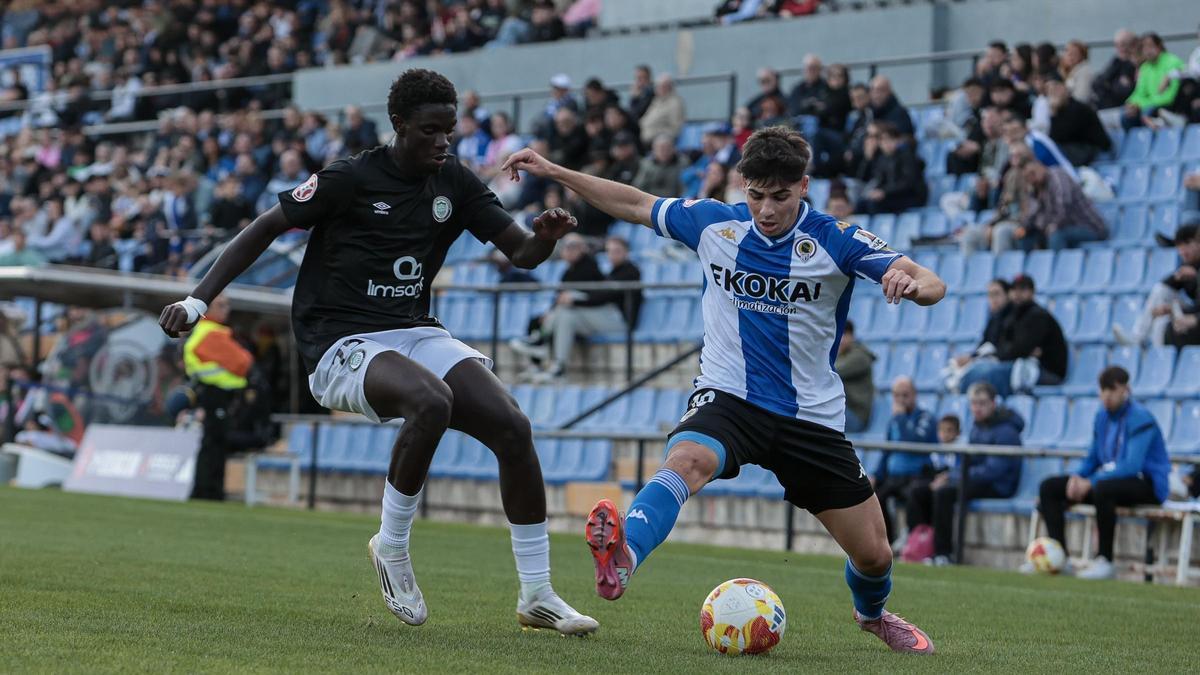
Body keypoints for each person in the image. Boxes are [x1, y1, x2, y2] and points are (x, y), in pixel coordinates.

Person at [158, 69, 597, 636]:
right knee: (432, 402)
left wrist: (546, 236)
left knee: (512, 425)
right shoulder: (349, 178)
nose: (443, 142)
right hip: (337, 340)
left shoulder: (455, 184)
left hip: (412, 329)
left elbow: (521, 253)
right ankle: (391, 547)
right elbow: (264, 228)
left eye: (449, 130)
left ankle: (537, 593)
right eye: (429, 130)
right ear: (399, 126)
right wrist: (197, 302)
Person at [501, 126, 946, 653]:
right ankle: (624, 556)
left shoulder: (834, 239)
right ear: (741, 184)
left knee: (875, 556)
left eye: (780, 196)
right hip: (729, 397)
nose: (766, 209)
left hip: (810, 418)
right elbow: (635, 202)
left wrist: (911, 285)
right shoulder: (715, 223)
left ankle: (872, 615)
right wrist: (553, 171)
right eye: (756, 195)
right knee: (687, 459)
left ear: (803, 186)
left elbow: (929, 280)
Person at [1034, 366, 1170, 580]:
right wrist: (1077, 479)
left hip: (1147, 484)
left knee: (1103, 489)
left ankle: (1105, 560)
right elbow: (1093, 458)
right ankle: (1059, 558)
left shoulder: (1141, 418)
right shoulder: (1101, 417)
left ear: (1125, 390)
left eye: (1112, 389)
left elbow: (1131, 466)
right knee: (1049, 487)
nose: (1106, 395)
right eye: (1103, 389)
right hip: (1108, 483)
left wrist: (1092, 481)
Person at [921, 381, 1022, 566]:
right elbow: (970, 463)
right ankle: (921, 546)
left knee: (945, 493)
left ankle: (944, 554)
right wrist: (950, 475)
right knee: (922, 489)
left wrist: (954, 477)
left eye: (982, 403)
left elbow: (993, 471)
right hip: (978, 479)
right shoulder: (978, 426)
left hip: (998, 486)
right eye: (974, 403)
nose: (977, 408)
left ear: (993, 403)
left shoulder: (1006, 432)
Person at [523, 234, 636, 381]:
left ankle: (540, 339)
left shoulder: (631, 271)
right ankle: (559, 368)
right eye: (609, 251)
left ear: (626, 252)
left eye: (617, 251)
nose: (612, 255)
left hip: (620, 322)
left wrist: (574, 302)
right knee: (566, 316)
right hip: (603, 318)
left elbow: (604, 297)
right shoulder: (612, 272)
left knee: (571, 299)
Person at [181, 294, 253, 500]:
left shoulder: (206, 332)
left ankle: (206, 489)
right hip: (217, 395)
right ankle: (210, 491)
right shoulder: (212, 334)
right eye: (221, 305)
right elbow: (243, 361)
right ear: (207, 310)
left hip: (212, 394)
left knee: (211, 442)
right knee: (215, 443)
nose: (226, 309)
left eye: (228, 304)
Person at [958, 275, 1067, 396]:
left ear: (1032, 292)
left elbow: (1019, 349)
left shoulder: (1038, 316)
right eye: (1015, 290)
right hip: (1023, 366)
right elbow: (1007, 346)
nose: (1018, 294)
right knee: (975, 371)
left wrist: (1012, 351)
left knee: (992, 374)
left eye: (1023, 290)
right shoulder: (1014, 315)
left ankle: (997, 409)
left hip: (1046, 371)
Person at [870, 376, 936, 545]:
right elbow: (887, 451)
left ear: (914, 395)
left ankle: (914, 544)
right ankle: (887, 543)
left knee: (914, 497)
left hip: (917, 475)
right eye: (896, 396)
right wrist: (876, 475)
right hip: (895, 477)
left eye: (905, 395)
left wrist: (901, 419)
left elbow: (914, 442)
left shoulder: (925, 418)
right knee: (876, 497)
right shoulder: (893, 421)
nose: (900, 400)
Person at [1113, 223, 1200, 348]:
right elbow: (1165, 285)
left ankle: (1141, 342)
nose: (1182, 251)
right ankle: (1138, 338)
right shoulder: (1189, 268)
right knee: (1160, 295)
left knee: (1162, 326)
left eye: (1187, 244)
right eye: (1179, 246)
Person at [1017, 160, 1107, 251]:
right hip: (1063, 228)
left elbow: (1064, 207)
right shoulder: (1037, 189)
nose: (1032, 178)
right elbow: (1032, 215)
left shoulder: (1058, 176)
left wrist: (1052, 225)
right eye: (1027, 177)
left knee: (1056, 235)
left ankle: (1059, 264)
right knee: (1026, 235)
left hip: (1089, 227)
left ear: (1041, 167)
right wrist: (1025, 228)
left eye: (1033, 173)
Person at [859, 123, 927, 215]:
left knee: (874, 205)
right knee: (861, 204)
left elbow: (908, 182)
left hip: (911, 196)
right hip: (891, 195)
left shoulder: (907, 156)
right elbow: (878, 180)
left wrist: (884, 192)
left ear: (897, 140)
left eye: (890, 139)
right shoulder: (881, 159)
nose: (886, 144)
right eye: (882, 141)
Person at [1122, 33, 1186, 129]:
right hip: (1149, 105)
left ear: (1159, 46)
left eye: (1150, 46)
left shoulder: (1173, 62)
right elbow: (1139, 93)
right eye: (1144, 47)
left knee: (1147, 112)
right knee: (1126, 116)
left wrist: (1141, 105)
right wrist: (1132, 103)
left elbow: (1171, 96)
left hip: (1168, 107)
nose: (1147, 50)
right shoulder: (1145, 68)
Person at [1045, 76, 1111, 167]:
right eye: (1050, 92)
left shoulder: (1078, 108)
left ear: (1065, 88)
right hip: (1080, 150)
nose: (1054, 94)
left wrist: (1053, 113)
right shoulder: (1060, 111)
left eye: (1056, 89)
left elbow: (1061, 136)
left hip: (1096, 150)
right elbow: (1053, 139)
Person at [835, 319, 875, 434]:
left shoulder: (859, 357)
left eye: (844, 334)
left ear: (852, 336)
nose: (841, 339)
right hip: (846, 411)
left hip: (856, 415)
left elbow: (832, 371)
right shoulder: (842, 354)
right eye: (839, 334)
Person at [1092, 29, 1139, 110]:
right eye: (1117, 45)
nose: (1120, 48)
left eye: (1123, 44)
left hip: (1127, 108)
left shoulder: (1138, 64)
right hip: (1107, 107)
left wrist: (1109, 85)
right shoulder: (1116, 61)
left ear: (1133, 45)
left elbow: (1125, 91)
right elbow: (1097, 83)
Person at [638, 74, 686, 146]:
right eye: (658, 86)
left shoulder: (674, 103)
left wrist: (658, 133)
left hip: (659, 141)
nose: (659, 89)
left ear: (670, 87)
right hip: (645, 137)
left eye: (663, 86)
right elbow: (645, 120)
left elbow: (676, 128)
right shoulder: (657, 101)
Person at [1060, 40, 1095, 104]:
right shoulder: (1071, 71)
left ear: (1082, 55)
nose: (1069, 56)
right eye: (1067, 52)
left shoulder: (1085, 71)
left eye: (1074, 53)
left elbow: (1082, 98)